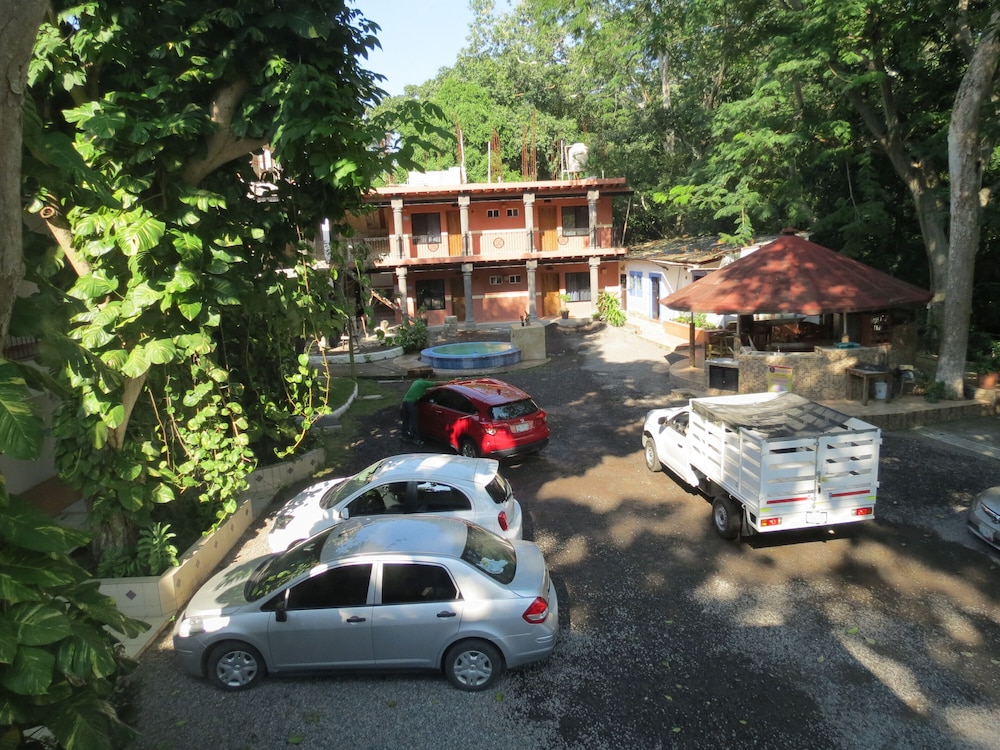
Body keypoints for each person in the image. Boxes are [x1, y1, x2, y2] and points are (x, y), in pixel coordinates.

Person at [401, 377, 434, 444]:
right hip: (412, 403)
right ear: (427, 377)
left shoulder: (416, 382)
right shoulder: (424, 383)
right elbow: (437, 383)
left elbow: (425, 391)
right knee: (414, 421)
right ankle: (416, 439)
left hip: (405, 401)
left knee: (406, 420)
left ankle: (404, 436)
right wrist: (448, 382)